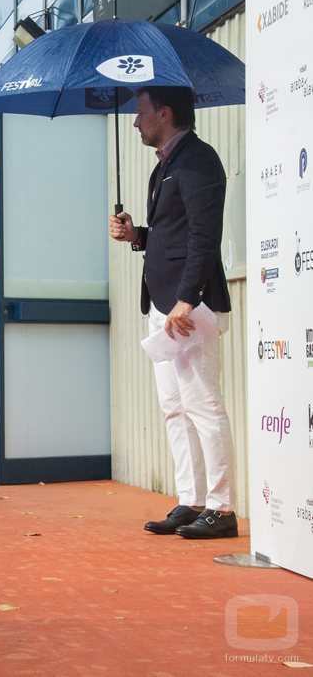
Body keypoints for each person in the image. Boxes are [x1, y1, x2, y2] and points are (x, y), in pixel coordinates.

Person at [109, 86, 237, 540]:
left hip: (187, 307)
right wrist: (137, 235)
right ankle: (192, 499)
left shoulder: (198, 160)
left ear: (164, 113)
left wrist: (188, 296)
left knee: (203, 404)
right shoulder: (165, 165)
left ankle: (221, 508)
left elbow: (204, 235)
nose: (135, 121)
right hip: (164, 306)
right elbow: (172, 233)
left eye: (141, 112)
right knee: (175, 409)